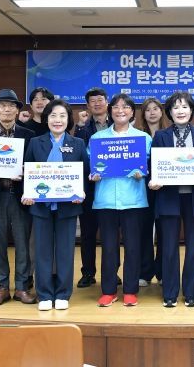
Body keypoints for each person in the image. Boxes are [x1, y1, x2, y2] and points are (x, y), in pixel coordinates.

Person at [22, 99, 88, 311]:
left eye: (62, 116)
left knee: (65, 252)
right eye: (53, 115)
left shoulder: (77, 144)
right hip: (41, 207)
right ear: (46, 118)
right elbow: (28, 171)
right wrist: (28, 193)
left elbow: (84, 174)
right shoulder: (35, 142)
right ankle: (44, 294)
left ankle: (62, 293)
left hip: (68, 207)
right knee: (42, 251)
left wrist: (81, 192)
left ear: (68, 119)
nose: (57, 120)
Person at [90, 93, 152, 307]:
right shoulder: (97, 139)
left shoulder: (143, 138)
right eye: (116, 107)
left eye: (125, 107)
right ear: (110, 111)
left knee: (133, 246)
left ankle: (130, 290)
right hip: (106, 199)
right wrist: (93, 174)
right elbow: (92, 166)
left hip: (133, 199)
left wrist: (142, 173)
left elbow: (149, 168)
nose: (120, 110)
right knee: (108, 247)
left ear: (132, 112)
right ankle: (108, 290)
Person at [149, 92, 194, 307]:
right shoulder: (161, 137)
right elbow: (153, 167)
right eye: (176, 107)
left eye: (185, 107)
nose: (181, 111)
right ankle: (170, 293)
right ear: (170, 112)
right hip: (168, 198)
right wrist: (154, 181)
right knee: (169, 247)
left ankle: (191, 292)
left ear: (192, 111)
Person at [0, 89, 37, 306]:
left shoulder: (28, 135)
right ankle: (1, 287)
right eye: (2, 105)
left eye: (11, 105)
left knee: (23, 243)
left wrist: (25, 171)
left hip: (21, 197)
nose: (7, 109)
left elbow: (35, 166)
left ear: (17, 110)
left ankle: (22, 287)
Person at [73, 87, 113, 288]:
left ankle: (112, 273)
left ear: (107, 102)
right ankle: (87, 273)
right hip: (89, 189)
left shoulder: (118, 124)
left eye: (100, 100)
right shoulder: (82, 127)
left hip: (112, 187)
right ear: (88, 106)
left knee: (111, 235)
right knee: (88, 234)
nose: (97, 104)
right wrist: (79, 126)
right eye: (93, 101)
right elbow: (78, 152)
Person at [136, 97, 167, 287]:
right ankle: (145, 271)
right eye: (148, 110)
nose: (152, 112)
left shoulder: (169, 134)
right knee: (144, 230)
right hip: (143, 188)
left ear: (162, 112)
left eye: (156, 108)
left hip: (165, 189)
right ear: (143, 114)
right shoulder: (136, 135)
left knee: (165, 230)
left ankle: (163, 271)